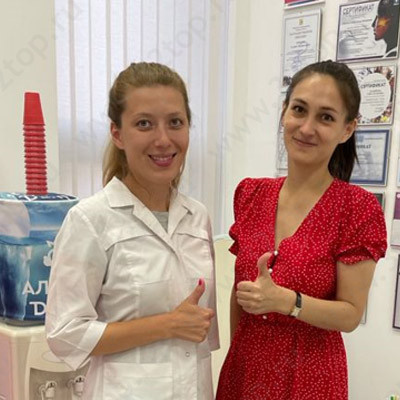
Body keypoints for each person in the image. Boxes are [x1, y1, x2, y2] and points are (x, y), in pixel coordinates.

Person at [46, 62, 219, 399]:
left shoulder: (197, 217)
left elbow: (201, 336)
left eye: (175, 122)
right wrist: (167, 324)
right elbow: (64, 334)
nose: (163, 139)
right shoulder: (90, 219)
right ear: (117, 133)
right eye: (144, 124)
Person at [216, 60, 387, 399]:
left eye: (326, 117)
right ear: (284, 112)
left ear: (347, 129)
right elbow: (241, 295)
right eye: (299, 110)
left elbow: (350, 314)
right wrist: (237, 355)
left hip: (311, 377)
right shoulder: (251, 194)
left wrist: (288, 301)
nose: (307, 128)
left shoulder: (356, 208)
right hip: (245, 369)